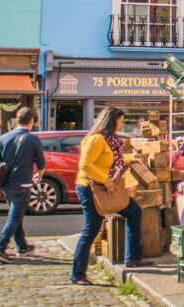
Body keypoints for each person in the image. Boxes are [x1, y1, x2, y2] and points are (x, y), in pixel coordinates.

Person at [71, 106, 152, 285]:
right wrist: (105, 180)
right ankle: (77, 274)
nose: (121, 124)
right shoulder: (96, 139)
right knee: (91, 229)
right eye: (120, 120)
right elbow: (85, 165)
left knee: (134, 212)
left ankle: (133, 257)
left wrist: (131, 159)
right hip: (92, 188)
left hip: (107, 187)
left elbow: (112, 159)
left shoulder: (110, 140)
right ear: (111, 120)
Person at [0, 107, 45, 263]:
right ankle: (0, 248)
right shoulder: (32, 139)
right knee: (15, 217)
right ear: (31, 121)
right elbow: (41, 162)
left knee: (16, 214)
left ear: (16, 120)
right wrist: (39, 176)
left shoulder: (4, 137)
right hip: (23, 184)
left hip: (7, 184)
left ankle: (22, 246)